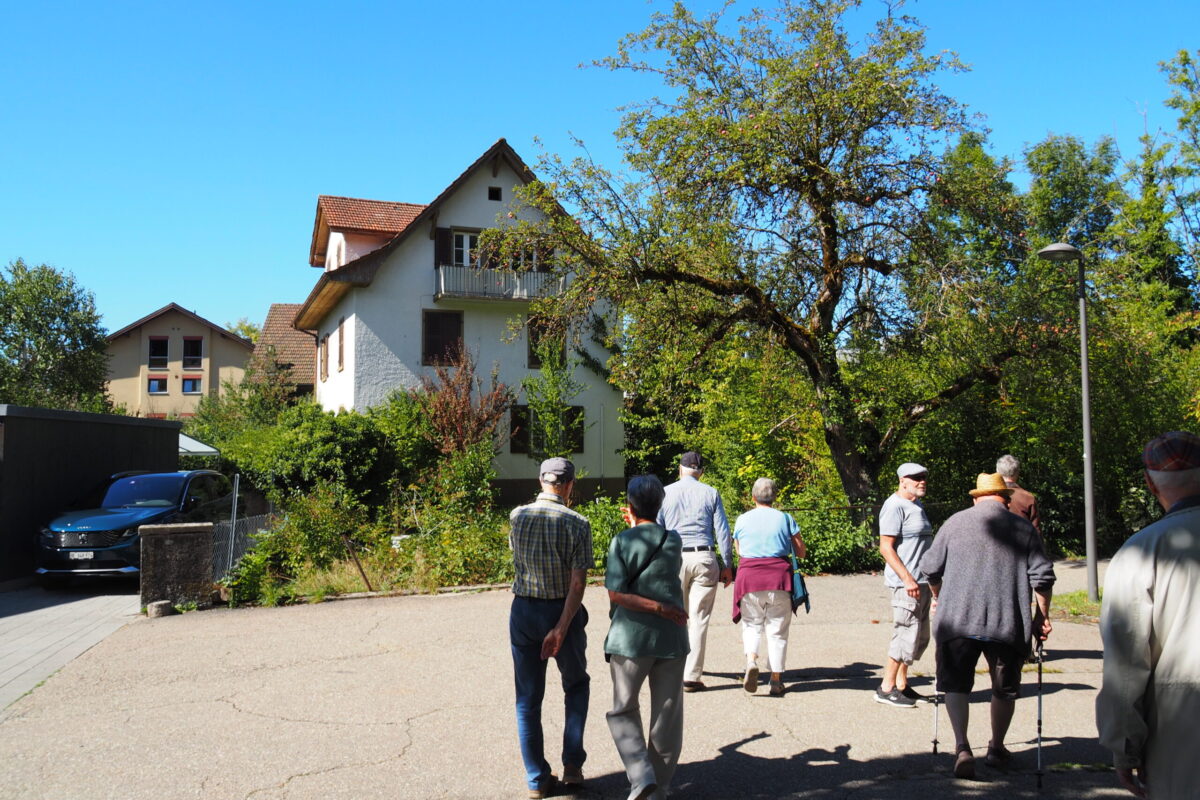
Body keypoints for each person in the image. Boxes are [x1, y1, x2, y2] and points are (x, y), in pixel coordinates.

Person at [923, 472, 1055, 779]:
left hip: (957, 620)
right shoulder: (1022, 527)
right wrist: (1041, 617)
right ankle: (996, 748)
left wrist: (937, 596)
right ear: (1006, 500)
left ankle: (962, 747)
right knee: (1004, 690)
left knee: (955, 685)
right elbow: (1043, 578)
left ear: (975, 498)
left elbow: (930, 568)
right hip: (1006, 622)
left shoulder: (954, 523)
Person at [1096, 431, 1200, 800]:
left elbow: (1126, 664)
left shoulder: (1141, 552)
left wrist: (1123, 747)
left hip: (1182, 735)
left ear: (1149, 482)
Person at [508, 457, 593, 799]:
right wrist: (560, 627)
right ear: (570, 484)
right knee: (575, 686)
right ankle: (572, 766)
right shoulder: (577, 522)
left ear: (541, 480)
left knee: (528, 700)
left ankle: (536, 779)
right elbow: (577, 584)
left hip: (524, 612)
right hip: (563, 614)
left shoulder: (518, 516)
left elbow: (518, 560)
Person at [605, 475, 690, 800]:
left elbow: (615, 593)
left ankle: (640, 777)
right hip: (671, 638)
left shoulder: (621, 541)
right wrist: (664, 607)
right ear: (660, 505)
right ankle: (660, 789)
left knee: (623, 708)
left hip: (631, 639)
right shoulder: (673, 540)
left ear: (629, 506)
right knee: (667, 717)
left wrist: (655, 607)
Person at [657, 451, 733, 692]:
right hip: (704, 556)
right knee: (699, 619)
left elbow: (657, 528)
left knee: (675, 615)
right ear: (701, 472)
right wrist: (728, 564)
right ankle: (691, 675)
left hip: (674, 557)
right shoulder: (711, 492)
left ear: (679, 469)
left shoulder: (665, 492)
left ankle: (672, 668)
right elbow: (722, 530)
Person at [731, 477, 806, 696]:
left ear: (752, 497)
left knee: (752, 624)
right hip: (779, 579)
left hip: (749, 580)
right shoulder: (785, 518)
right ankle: (775, 679)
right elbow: (800, 551)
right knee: (777, 630)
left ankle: (752, 660)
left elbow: (739, 551)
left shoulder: (742, 519)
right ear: (775, 497)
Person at [875, 462, 934, 707]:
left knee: (918, 636)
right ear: (902, 481)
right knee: (904, 631)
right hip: (906, 583)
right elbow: (885, 547)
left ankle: (901, 684)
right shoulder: (894, 506)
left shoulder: (915, 505)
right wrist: (907, 578)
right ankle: (885, 687)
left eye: (924, 477)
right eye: (916, 477)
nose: (921, 481)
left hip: (921, 581)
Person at [996, 454, 1041, 535]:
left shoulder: (989, 496)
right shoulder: (1028, 498)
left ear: (997, 472)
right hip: (1021, 546)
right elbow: (1036, 533)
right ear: (1017, 472)